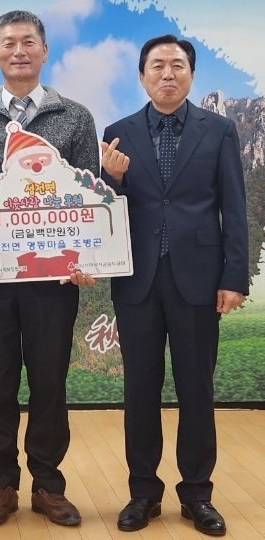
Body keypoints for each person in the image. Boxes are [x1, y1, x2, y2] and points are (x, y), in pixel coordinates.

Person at [0, 10, 98, 528]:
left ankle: (49, 485)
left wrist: (86, 258)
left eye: (28, 42)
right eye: (8, 43)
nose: (19, 51)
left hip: (53, 277)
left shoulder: (75, 117)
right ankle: (0, 484)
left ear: (44, 51)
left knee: (50, 381)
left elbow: (87, 194)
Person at [100, 35, 249, 536]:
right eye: (158, 66)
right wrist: (111, 180)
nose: (168, 74)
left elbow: (234, 206)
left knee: (196, 389)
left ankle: (197, 494)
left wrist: (233, 276)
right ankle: (143, 492)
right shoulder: (117, 132)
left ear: (191, 74)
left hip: (200, 280)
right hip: (136, 279)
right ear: (142, 76)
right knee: (139, 389)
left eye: (177, 65)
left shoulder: (219, 130)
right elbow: (104, 209)